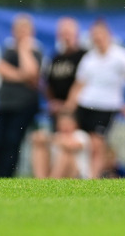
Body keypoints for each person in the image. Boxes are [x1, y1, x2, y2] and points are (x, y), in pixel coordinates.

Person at [66, 19, 125, 179]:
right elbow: (79, 85)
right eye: (94, 35)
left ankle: (92, 179)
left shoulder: (121, 56)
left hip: (107, 107)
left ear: (108, 35)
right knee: (83, 143)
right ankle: (82, 176)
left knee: (97, 143)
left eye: (100, 34)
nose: (97, 38)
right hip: (85, 105)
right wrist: (68, 108)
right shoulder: (89, 58)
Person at [0, 13, 43, 177]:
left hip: (24, 105)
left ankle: (6, 176)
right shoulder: (8, 48)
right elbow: (0, 68)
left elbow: (32, 72)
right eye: (18, 30)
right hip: (5, 104)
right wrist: (22, 76)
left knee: (12, 140)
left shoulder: (35, 50)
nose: (21, 33)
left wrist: (24, 48)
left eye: (25, 30)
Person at [31, 16, 87, 178]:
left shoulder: (84, 56)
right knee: (53, 145)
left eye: (69, 33)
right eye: (63, 33)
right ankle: (45, 182)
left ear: (77, 34)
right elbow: (46, 84)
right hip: (59, 113)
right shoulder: (55, 58)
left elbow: (84, 83)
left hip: (78, 112)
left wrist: (68, 106)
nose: (66, 37)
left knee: (69, 145)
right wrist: (52, 102)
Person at [34, 110, 92, 179]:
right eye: (62, 124)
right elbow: (36, 138)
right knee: (40, 148)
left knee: (66, 154)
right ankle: (40, 179)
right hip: (54, 167)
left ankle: (53, 180)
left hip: (77, 173)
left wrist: (53, 140)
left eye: (67, 124)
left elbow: (72, 146)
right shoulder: (57, 135)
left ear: (75, 124)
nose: (65, 127)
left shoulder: (80, 135)